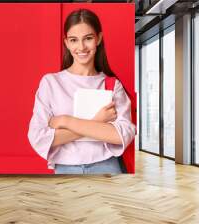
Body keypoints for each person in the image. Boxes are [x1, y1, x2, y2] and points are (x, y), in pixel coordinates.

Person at [27, 9, 136, 174]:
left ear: (98, 38)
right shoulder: (51, 83)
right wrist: (98, 121)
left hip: (106, 167)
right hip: (65, 169)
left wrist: (65, 120)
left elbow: (121, 135)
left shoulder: (112, 84)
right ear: (66, 43)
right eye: (74, 40)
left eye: (88, 38)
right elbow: (39, 137)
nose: (81, 47)